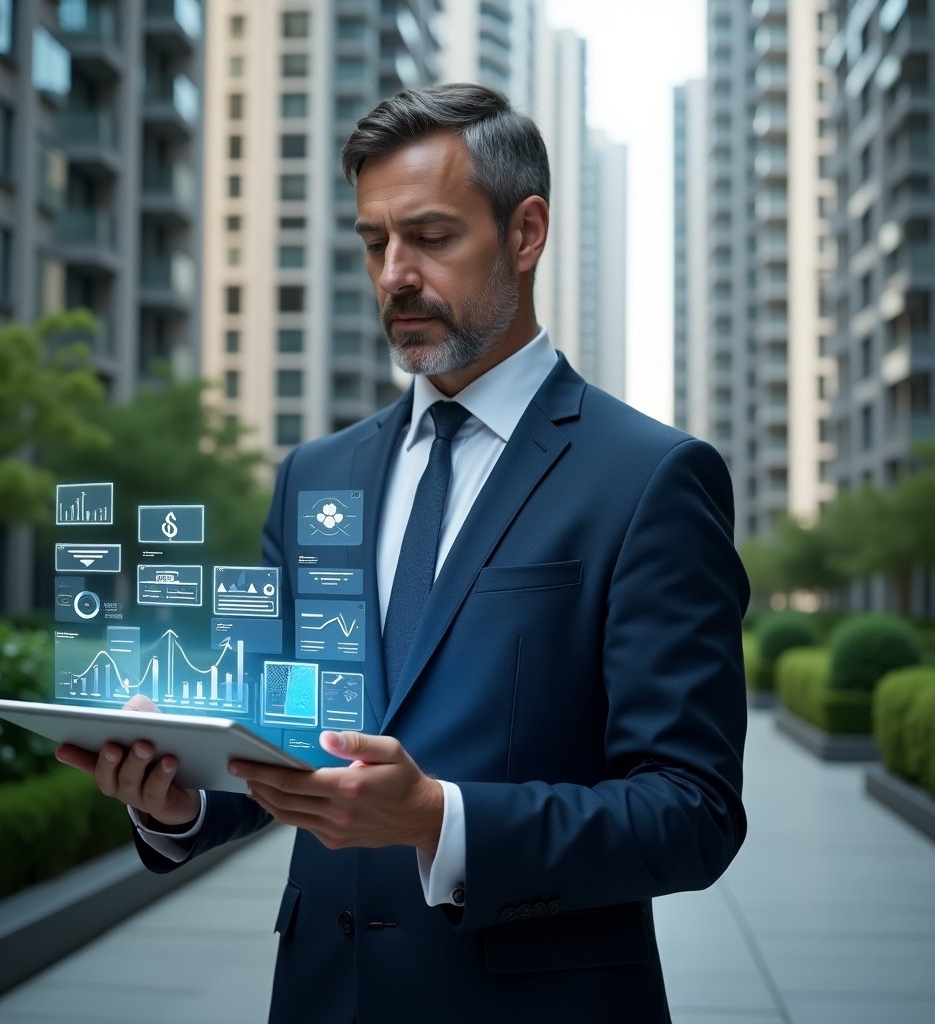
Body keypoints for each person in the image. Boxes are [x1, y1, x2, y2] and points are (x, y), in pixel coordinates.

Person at [58, 83, 749, 1022]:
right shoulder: (316, 475)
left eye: (429, 237)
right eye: (374, 242)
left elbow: (692, 812)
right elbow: (281, 740)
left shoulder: (652, 478)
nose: (393, 274)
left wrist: (440, 821)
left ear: (526, 232)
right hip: (319, 996)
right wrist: (177, 802)